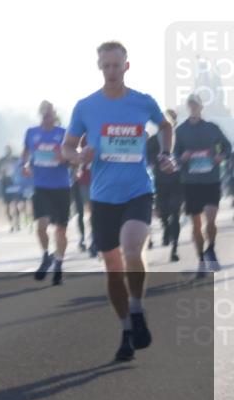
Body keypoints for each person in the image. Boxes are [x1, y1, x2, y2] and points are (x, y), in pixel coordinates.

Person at [61, 41, 175, 362]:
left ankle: (137, 309)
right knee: (112, 269)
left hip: (138, 189)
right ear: (100, 67)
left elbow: (166, 125)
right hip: (102, 196)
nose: (111, 71)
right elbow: (67, 147)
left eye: (116, 65)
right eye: (106, 65)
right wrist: (79, 156)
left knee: (131, 248)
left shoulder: (143, 102)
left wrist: (166, 153)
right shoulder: (86, 107)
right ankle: (126, 329)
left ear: (126, 66)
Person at [175, 93, 232, 276]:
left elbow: (227, 147)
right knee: (196, 224)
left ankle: (211, 249)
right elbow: (174, 156)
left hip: (210, 180)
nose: (193, 108)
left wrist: (220, 156)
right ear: (187, 108)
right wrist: (181, 158)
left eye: (196, 105)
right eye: (190, 105)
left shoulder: (212, 128)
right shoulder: (180, 130)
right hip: (190, 182)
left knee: (211, 220)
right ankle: (201, 260)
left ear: (201, 107)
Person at [23, 101, 72, 286]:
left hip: (61, 186)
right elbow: (26, 153)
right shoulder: (31, 133)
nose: (47, 116)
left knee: (60, 229)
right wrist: (25, 165)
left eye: (50, 113)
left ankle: (58, 263)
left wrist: (65, 158)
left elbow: (72, 155)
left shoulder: (63, 133)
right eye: (44, 113)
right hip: (41, 186)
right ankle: (45, 256)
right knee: (41, 226)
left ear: (54, 114)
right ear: (40, 114)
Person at [147, 109, 183, 262]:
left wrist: (179, 161)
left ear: (174, 122)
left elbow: (187, 154)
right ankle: (165, 228)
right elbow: (147, 158)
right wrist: (158, 161)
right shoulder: (154, 140)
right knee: (163, 212)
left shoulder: (181, 137)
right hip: (160, 181)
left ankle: (174, 248)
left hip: (178, 181)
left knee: (175, 213)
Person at [0, 147, 24, 231]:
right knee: (7, 206)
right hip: (6, 184)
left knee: (16, 204)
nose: (8, 152)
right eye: (7, 150)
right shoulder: (1, 161)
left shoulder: (17, 159)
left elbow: (22, 169)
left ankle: (18, 223)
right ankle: (11, 223)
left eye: (10, 150)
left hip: (15, 183)